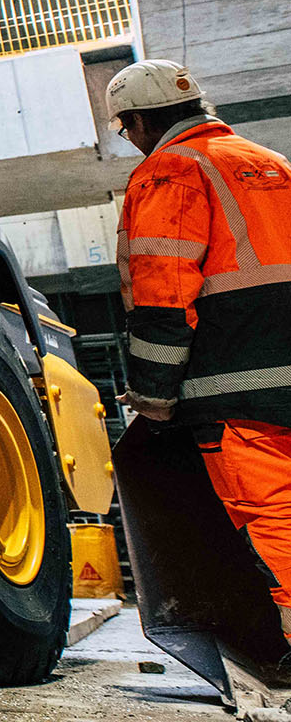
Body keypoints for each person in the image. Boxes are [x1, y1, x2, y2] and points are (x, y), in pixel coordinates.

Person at [109, 59, 291, 646]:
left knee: (276, 517)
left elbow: (163, 294)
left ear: (136, 120)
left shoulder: (170, 171)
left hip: (235, 387)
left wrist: (154, 399)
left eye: (124, 129)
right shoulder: (270, 162)